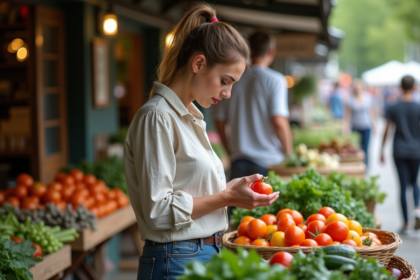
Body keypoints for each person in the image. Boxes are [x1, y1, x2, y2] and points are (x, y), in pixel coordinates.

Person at [123, 5, 279, 280]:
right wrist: (227, 197)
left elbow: (186, 189)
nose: (228, 93)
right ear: (198, 64)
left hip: (197, 255)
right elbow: (158, 211)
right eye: (225, 81)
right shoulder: (157, 117)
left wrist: (229, 189)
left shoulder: (190, 116)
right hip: (176, 260)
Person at [215, 30, 292, 180]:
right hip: (268, 163)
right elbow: (278, 121)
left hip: (238, 162)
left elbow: (220, 122)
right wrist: (289, 154)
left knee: (237, 204)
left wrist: (231, 152)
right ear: (271, 52)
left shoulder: (232, 79)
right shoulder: (275, 80)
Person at [380, 75, 420, 235]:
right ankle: (417, 208)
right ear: (414, 87)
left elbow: (387, 129)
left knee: (403, 186)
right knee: (414, 181)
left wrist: (381, 150)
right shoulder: (418, 106)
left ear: (400, 87)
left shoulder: (394, 107)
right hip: (416, 150)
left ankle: (405, 223)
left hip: (399, 150)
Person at [343, 80, 377, 166]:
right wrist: (345, 127)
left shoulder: (368, 98)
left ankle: (365, 166)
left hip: (366, 126)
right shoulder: (350, 99)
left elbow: (372, 113)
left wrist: (375, 126)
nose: (358, 89)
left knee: (365, 148)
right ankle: (357, 164)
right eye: (356, 88)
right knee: (356, 148)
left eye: (359, 88)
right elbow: (347, 115)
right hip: (355, 127)